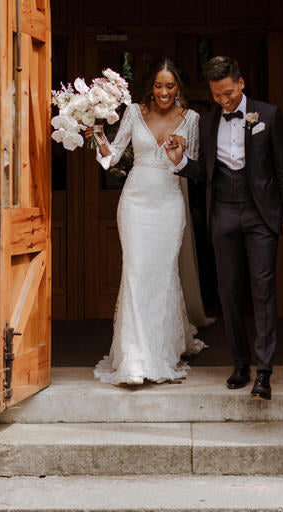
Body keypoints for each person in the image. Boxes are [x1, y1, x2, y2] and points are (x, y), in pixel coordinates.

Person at [165, 56, 283, 401]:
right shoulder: (209, 124)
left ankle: (265, 371)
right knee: (228, 293)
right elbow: (206, 171)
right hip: (223, 213)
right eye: (217, 96)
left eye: (228, 93)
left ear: (240, 84)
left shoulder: (268, 116)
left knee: (263, 291)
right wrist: (180, 160)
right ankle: (240, 364)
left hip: (261, 215)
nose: (224, 101)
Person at [87, 58, 209, 385]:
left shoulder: (192, 119)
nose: (164, 92)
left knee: (164, 274)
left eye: (170, 86)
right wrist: (97, 132)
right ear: (150, 86)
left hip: (169, 204)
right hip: (135, 203)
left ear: (178, 87)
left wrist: (180, 152)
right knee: (136, 273)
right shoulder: (133, 113)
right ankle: (134, 358)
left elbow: (194, 166)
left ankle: (161, 352)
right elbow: (109, 158)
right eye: (158, 85)